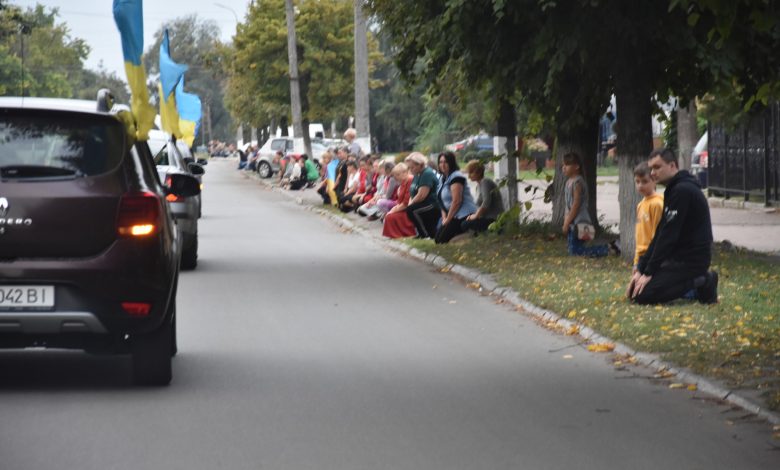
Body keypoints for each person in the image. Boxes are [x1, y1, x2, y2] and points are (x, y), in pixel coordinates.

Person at [628, 148, 718, 305]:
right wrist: (641, 270)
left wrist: (649, 273)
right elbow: (660, 233)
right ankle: (696, 283)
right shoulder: (674, 189)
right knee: (635, 290)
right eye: (651, 168)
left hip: (691, 260)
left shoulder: (682, 190)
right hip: (677, 257)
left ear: (672, 166)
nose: (653, 173)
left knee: (643, 296)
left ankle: (703, 280)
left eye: (657, 167)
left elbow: (669, 236)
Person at [561, 152, 616, 257]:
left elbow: (576, 205)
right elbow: (567, 204)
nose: (564, 167)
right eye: (563, 165)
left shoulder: (577, 182)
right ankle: (608, 247)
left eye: (567, 165)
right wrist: (566, 220)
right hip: (571, 221)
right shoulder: (568, 182)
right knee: (572, 248)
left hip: (579, 220)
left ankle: (607, 249)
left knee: (576, 251)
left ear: (576, 166)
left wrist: (567, 222)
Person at [434, 151, 477, 244]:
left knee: (441, 240)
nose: (443, 165)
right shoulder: (442, 178)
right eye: (440, 162)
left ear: (452, 163)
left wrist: (448, 219)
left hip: (464, 214)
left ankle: (470, 235)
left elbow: (457, 201)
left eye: (446, 162)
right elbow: (441, 199)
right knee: (437, 239)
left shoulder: (456, 177)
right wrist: (444, 217)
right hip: (453, 215)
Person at [631, 162, 664, 270]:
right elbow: (639, 235)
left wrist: (652, 262)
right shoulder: (641, 204)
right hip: (641, 257)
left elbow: (658, 235)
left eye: (645, 181)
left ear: (654, 181)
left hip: (651, 257)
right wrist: (636, 262)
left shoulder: (657, 204)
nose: (640, 185)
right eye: (637, 182)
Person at [461, 159, 504, 234]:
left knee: (465, 224)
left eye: (471, 172)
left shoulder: (485, 182)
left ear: (479, 172)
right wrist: (472, 215)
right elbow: (478, 205)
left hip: (494, 219)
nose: (468, 176)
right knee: (464, 221)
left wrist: (475, 216)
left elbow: (486, 202)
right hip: (486, 218)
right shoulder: (479, 185)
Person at [404, 152, 440, 238]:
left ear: (420, 165)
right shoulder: (417, 174)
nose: (410, 169)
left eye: (412, 167)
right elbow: (412, 192)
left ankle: (424, 234)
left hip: (432, 204)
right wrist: (410, 203)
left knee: (412, 210)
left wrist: (411, 204)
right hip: (423, 204)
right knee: (410, 209)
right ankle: (423, 233)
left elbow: (421, 195)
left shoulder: (427, 173)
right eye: (409, 167)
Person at [382, 163, 416, 238]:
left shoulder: (410, 180)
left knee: (390, 216)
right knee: (389, 216)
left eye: (397, 175)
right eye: (395, 175)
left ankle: (403, 233)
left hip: (408, 209)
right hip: (403, 207)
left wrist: (393, 210)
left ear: (405, 172)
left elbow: (406, 203)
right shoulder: (403, 182)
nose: (396, 177)